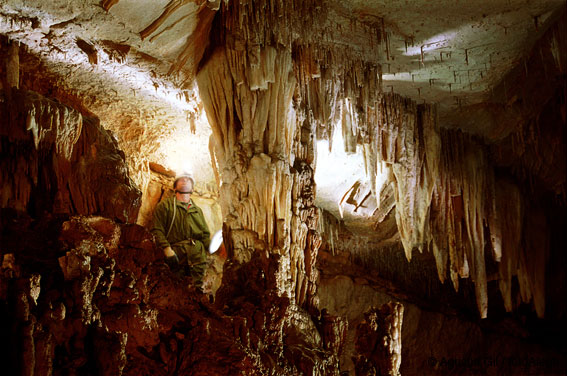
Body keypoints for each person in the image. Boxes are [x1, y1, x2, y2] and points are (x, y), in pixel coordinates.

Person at [151, 171, 211, 290]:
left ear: (192, 188)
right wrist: (167, 249)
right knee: (175, 291)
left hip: (197, 259)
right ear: (175, 186)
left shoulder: (197, 210)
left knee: (196, 292)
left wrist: (215, 249)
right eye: (181, 179)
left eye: (188, 180)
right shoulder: (165, 206)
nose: (185, 181)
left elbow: (205, 235)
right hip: (176, 257)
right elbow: (157, 230)